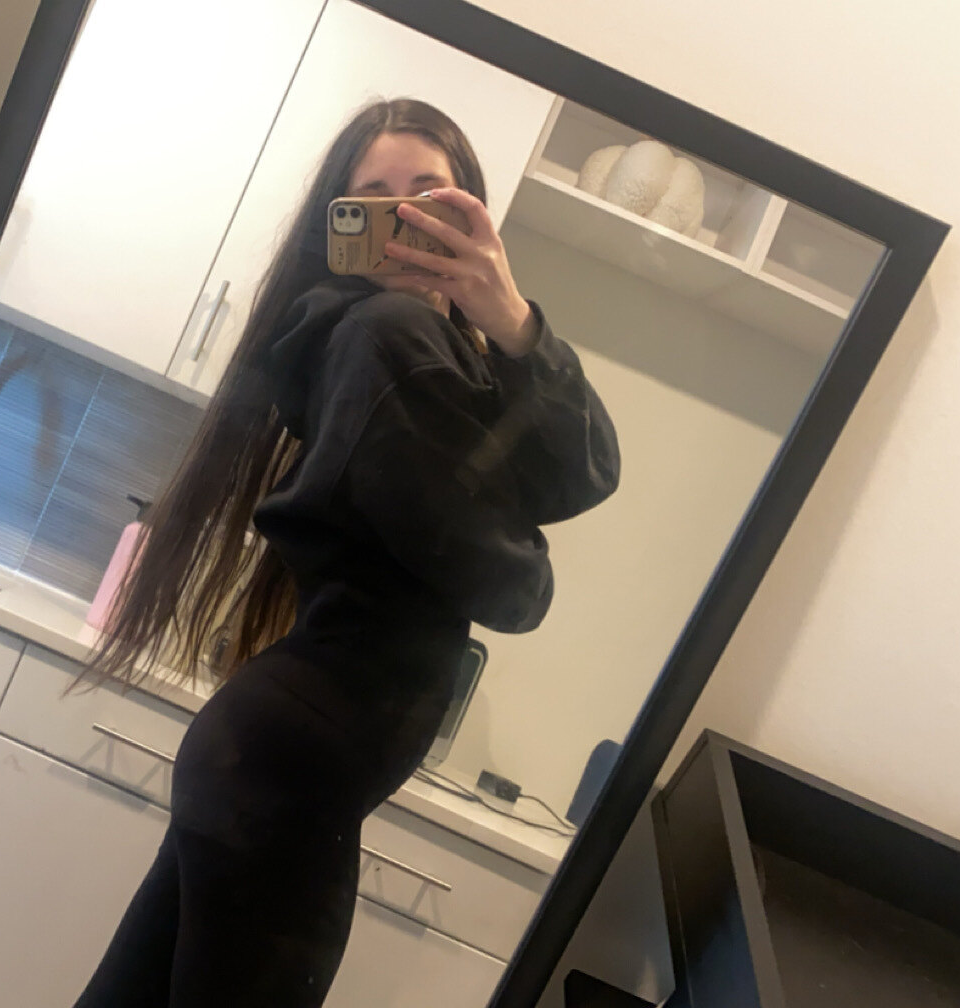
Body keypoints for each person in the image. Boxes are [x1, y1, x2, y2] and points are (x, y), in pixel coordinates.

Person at [71, 98, 621, 1008]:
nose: (403, 221)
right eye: (375, 199)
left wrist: (515, 323)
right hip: (286, 777)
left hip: (268, 766)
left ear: (474, 217)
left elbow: (583, 472)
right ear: (341, 227)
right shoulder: (386, 335)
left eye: (428, 198)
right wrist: (533, 559)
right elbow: (504, 585)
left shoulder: (430, 354)